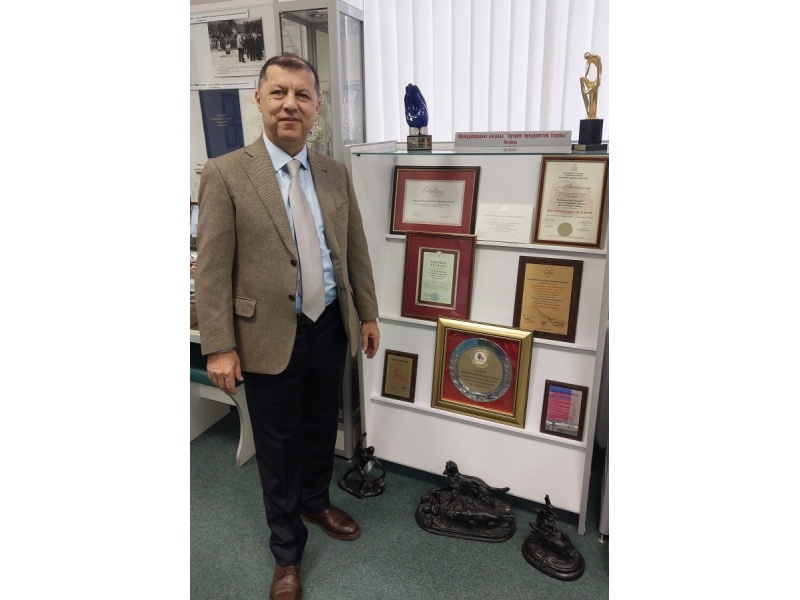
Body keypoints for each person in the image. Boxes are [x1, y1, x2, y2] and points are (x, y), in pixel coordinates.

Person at [194, 53, 381, 600]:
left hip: (330, 327)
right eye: (278, 93)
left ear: (318, 106)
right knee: (277, 448)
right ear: (259, 99)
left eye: (302, 94)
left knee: (322, 427)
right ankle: (287, 552)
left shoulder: (334, 172)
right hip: (265, 335)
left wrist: (367, 313)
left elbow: (353, 248)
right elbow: (212, 270)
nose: (289, 104)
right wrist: (219, 346)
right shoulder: (226, 173)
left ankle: (316, 501)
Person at [580, 52, 602, 119]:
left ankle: (591, 114)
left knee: (592, 113)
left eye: (588, 58)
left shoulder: (597, 58)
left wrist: (597, 83)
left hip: (595, 84)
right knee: (582, 79)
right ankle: (590, 114)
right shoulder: (589, 62)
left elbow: (599, 73)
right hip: (593, 85)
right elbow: (586, 72)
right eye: (587, 59)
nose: (588, 59)